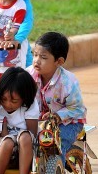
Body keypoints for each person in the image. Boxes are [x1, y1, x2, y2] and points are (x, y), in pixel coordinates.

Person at [26, 31, 87, 165]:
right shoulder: (27, 76)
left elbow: (77, 108)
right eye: (35, 55)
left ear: (59, 61)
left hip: (69, 122)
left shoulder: (68, 82)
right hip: (40, 121)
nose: (36, 60)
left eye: (43, 57)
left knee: (55, 146)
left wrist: (58, 116)